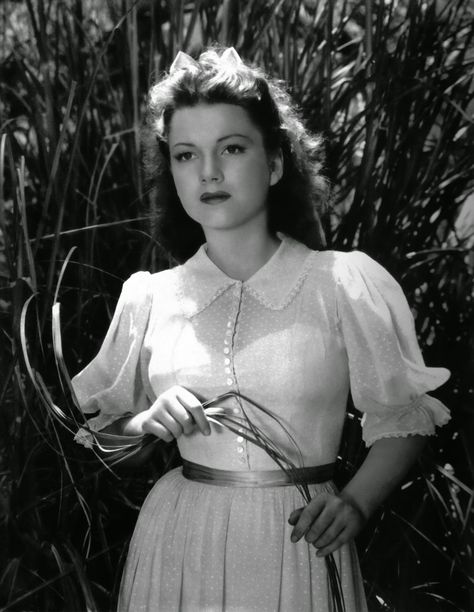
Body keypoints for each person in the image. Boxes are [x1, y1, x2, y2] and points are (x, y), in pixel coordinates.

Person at [72, 47, 451, 612]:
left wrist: (355, 502)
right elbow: (104, 448)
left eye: (231, 148)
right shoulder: (148, 296)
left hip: (298, 540)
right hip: (178, 542)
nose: (208, 172)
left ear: (274, 163)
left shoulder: (341, 283)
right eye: (185, 155)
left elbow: (405, 417)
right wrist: (148, 422)